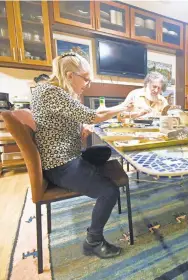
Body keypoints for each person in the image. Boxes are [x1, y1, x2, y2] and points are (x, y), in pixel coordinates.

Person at [31, 52, 134, 258]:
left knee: (104, 151)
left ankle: (88, 176)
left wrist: (82, 127)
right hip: (59, 165)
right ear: (70, 75)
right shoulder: (51, 92)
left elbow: (66, 121)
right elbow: (93, 115)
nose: (87, 83)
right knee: (109, 192)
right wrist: (122, 107)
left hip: (66, 155)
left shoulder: (51, 91)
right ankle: (93, 241)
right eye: (85, 78)